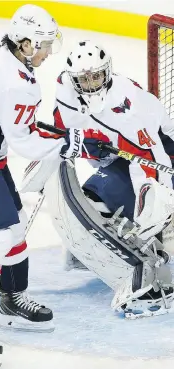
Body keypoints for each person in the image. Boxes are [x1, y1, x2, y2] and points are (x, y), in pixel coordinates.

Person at [0, 8, 108, 368]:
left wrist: (69, 137)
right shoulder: (19, 83)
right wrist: (74, 144)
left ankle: (12, 299)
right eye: (44, 46)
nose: (48, 53)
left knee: (14, 223)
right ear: (27, 43)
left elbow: (13, 118)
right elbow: (27, 142)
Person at [47, 40, 174, 318]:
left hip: (162, 157)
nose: (91, 83)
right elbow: (64, 130)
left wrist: (151, 213)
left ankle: (151, 264)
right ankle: (94, 253)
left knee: (146, 210)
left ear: (108, 72)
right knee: (93, 200)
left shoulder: (128, 108)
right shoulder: (67, 92)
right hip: (122, 159)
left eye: (96, 76)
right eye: (84, 78)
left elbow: (154, 161)